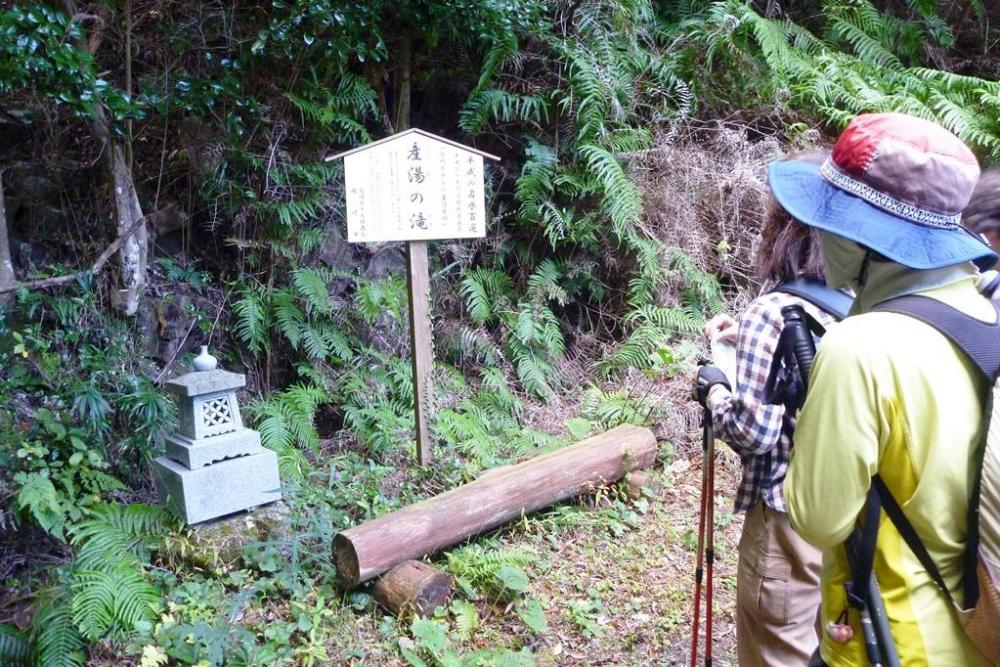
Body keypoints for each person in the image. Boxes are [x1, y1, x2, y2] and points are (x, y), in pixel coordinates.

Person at [772, 112, 996, 666]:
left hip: (892, 641)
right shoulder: (986, 314)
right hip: (980, 635)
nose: (820, 236)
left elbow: (818, 518)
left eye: (830, 221)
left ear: (866, 240)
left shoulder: (861, 349)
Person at [694, 150, 837, 667]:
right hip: (847, 514)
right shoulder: (861, 299)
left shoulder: (774, 310)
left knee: (779, 650)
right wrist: (745, 340)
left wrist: (713, 387)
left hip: (785, 516)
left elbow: (753, 430)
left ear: (783, 230)